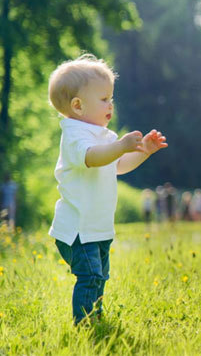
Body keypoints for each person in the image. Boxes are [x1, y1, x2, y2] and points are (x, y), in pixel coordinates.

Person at [47, 54, 168, 324]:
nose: (110, 104)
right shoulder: (75, 135)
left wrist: (143, 151)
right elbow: (92, 158)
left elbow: (119, 165)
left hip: (98, 228)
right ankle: (85, 324)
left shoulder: (105, 137)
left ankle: (95, 317)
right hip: (78, 230)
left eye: (111, 98)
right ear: (78, 106)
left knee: (100, 276)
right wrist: (119, 147)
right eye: (103, 99)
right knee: (90, 276)